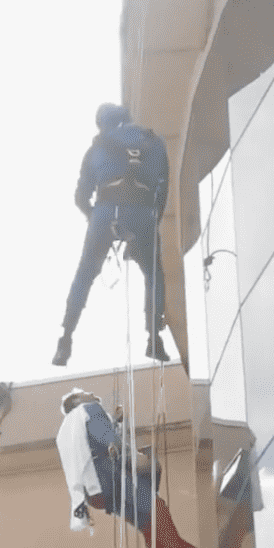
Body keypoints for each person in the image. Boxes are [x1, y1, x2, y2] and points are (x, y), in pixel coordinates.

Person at [57, 388, 220, 548]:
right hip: (109, 476)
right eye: (84, 393)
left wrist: (116, 423)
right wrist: (135, 456)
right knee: (155, 506)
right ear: (77, 400)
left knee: (148, 524)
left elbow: (92, 446)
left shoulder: (69, 428)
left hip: (95, 492)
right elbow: (109, 441)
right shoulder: (89, 409)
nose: (91, 393)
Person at [54, 103, 172, 366]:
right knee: (154, 275)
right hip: (143, 213)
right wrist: (151, 223)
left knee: (85, 273)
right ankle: (154, 338)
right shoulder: (155, 142)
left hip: (105, 213)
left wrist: (93, 217)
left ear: (102, 123)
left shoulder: (97, 147)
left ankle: (65, 339)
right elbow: (162, 192)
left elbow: (80, 196)